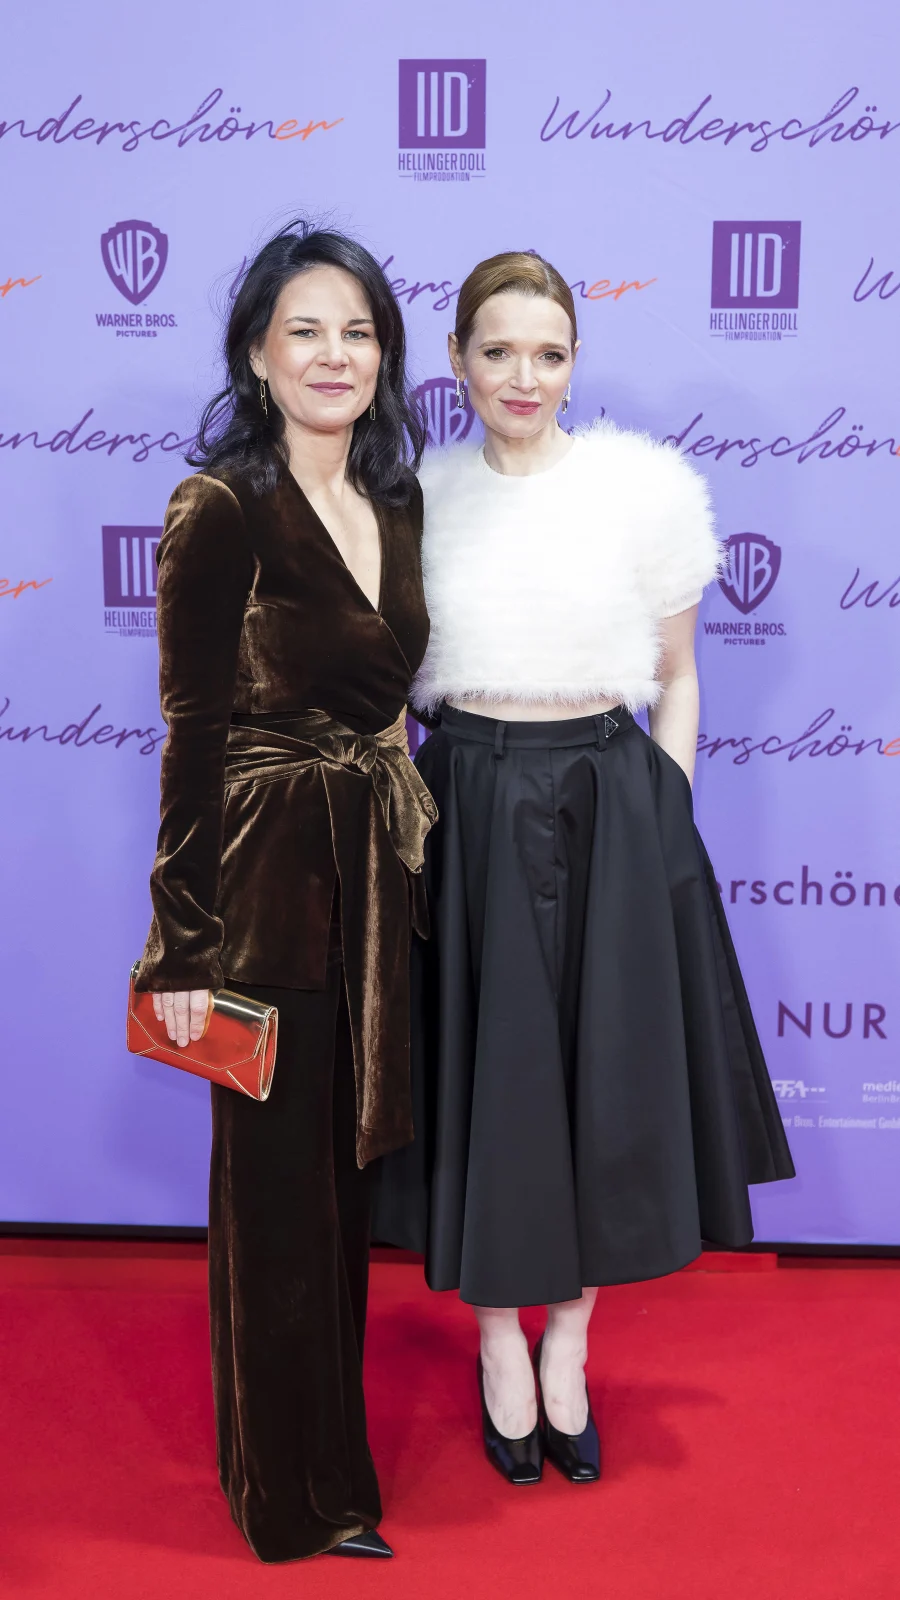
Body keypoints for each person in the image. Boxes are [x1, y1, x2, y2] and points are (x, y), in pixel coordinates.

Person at [374, 250, 794, 1487]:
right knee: (486, 1084)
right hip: (464, 801)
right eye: (498, 351)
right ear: (457, 362)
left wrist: (667, 808)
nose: (525, 376)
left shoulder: (643, 490)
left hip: (614, 803)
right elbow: (384, 689)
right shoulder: (416, 500)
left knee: (600, 1084)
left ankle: (569, 1344)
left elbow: (680, 677)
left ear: (575, 363)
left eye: (549, 353)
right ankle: (499, 1344)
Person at [134, 220, 436, 1561]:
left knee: (342, 1200)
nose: (333, 354)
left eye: (357, 331)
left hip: (370, 882)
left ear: (385, 356)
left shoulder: (398, 503)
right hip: (257, 892)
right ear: (257, 354)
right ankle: (286, 1495)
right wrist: (180, 949)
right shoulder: (220, 507)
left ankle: (336, 1465)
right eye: (303, 330)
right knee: (272, 1207)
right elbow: (191, 734)